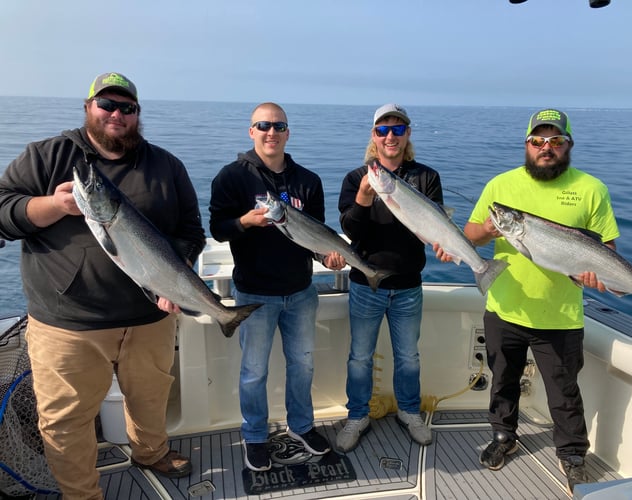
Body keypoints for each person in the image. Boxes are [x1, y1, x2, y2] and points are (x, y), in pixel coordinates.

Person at [0, 72, 205, 499]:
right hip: (68, 323)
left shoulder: (166, 165)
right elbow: (3, 211)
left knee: (150, 398)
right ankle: (82, 495)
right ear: (88, 106)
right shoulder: (47, 156)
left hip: (151, 315)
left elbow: (190, 230)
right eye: (106, 105)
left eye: (126, 108)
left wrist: (177, 271)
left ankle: (151, 452)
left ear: (137, 114)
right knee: (65, 421)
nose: (116, 114)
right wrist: (53, 206)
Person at [464, 109, 619, 495]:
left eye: (555, 141)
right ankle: (504, 436)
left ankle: (572, 456)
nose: (545, 148)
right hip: (506, 308)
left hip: (561, 315)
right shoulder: (501, 185)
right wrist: (488, 226)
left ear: (568, 144)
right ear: (526, 144)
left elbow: (608, 249)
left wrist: (591, 273)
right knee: (503, 380)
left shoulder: (591, 189)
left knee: (564, 392)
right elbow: (470, 234)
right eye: (537, 141)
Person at [208, 102, 345, 472]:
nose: (271, 132)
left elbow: (316, 236)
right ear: (251, 131)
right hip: (253, 293)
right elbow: (217, 228)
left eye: (278, 125)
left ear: (287, 132)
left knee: (302, 365)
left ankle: (301, 426)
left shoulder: (308, 181)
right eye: (263, 125)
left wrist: (327, 258)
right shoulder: (231, 177)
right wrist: (244, 222)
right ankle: (254, 435)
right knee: (254, 371)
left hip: (301, 292)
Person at [336, 104, 447, 452]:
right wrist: (363, 199)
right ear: (373, 136)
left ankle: (410, 412)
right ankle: (357, 416)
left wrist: (443, 243)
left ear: (407, 135)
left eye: (397, 130)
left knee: (408, 356)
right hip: (366, 283)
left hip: (408, 284)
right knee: (360, 356)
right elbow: (350, 230)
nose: (390, 137)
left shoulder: (426, 177)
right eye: (383, 130)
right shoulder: (357, 178)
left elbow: (435, 226)